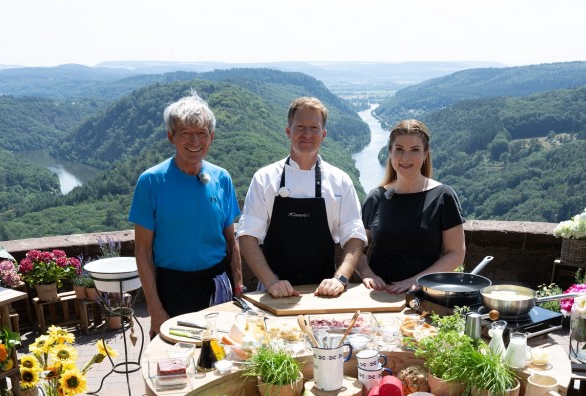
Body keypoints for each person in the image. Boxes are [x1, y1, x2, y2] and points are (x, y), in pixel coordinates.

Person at [129, 91, 242, 335]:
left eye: (201, 133)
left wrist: (239, 288)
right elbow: (143, 251)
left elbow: (231, 241)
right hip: (172, 289)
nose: (195, 141)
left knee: (222, 360)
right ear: (171, 137)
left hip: (218, 286)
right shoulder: (151, 181)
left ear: (211, 137)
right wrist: (155, 310)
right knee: (174, 364)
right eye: (185, 133)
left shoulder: (222, 178)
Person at [237, 97, 366, 298]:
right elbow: (246, 237)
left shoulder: (340, 181)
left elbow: (355, 237)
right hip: (275, 292)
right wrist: (271, 281)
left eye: (314, 128)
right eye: (300, 127)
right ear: (288, 131)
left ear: (323, 134)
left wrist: (339, 279)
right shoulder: (264, 179)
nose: (307, 134)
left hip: (324, 292)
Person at [355, 119, 465, 294]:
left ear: (425, 153)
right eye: (399, 149)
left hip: (424, 295)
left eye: (414, 150)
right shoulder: (375, 198)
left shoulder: (443, 196)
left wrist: (418, 281)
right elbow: (355, 248)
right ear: (390, 152)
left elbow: (456, 254)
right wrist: (367, 273)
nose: (405, 158)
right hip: (378, 294)